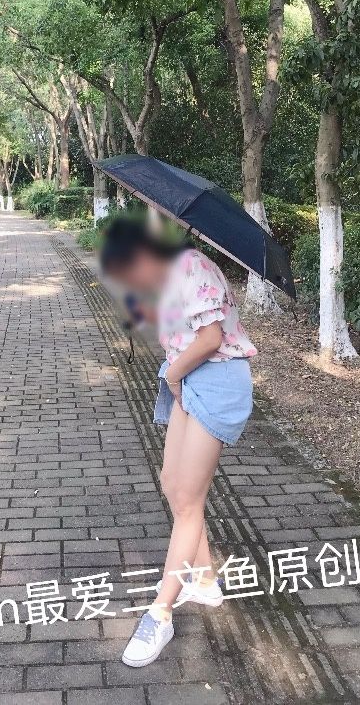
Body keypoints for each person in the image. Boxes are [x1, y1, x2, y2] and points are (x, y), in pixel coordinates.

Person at [100, 217, 257, 668]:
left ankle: (160, 613)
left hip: (217, 380)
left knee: (188, 499)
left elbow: (210, 338)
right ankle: (204, 581)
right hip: (187, 379)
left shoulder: (192, 265)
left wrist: (172, 375)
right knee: (173, 485)